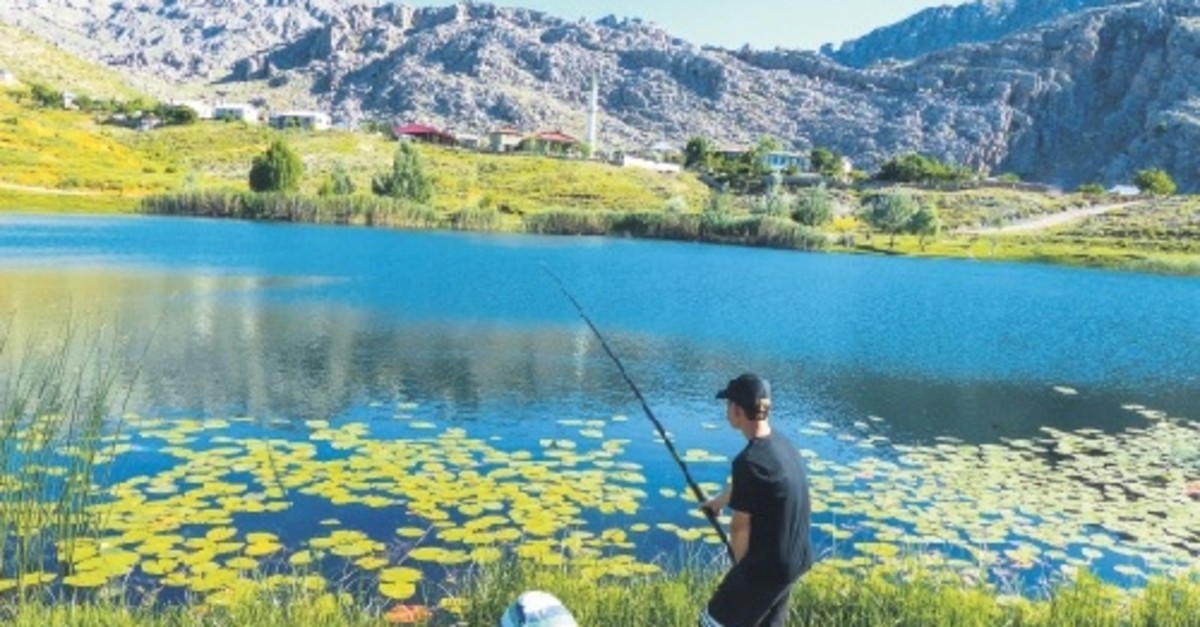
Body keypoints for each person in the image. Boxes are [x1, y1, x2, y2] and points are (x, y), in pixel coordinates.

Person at [699, 374, 812, 627]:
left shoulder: (748, 462)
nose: (726, 410)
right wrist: (718, 502)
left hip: (767, 569)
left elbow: (739, 527)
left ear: (737, 410)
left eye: (728, 404)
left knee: (711, 621)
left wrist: (743, 572)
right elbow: (751, 483)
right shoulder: (782, 445)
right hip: (795, 560)